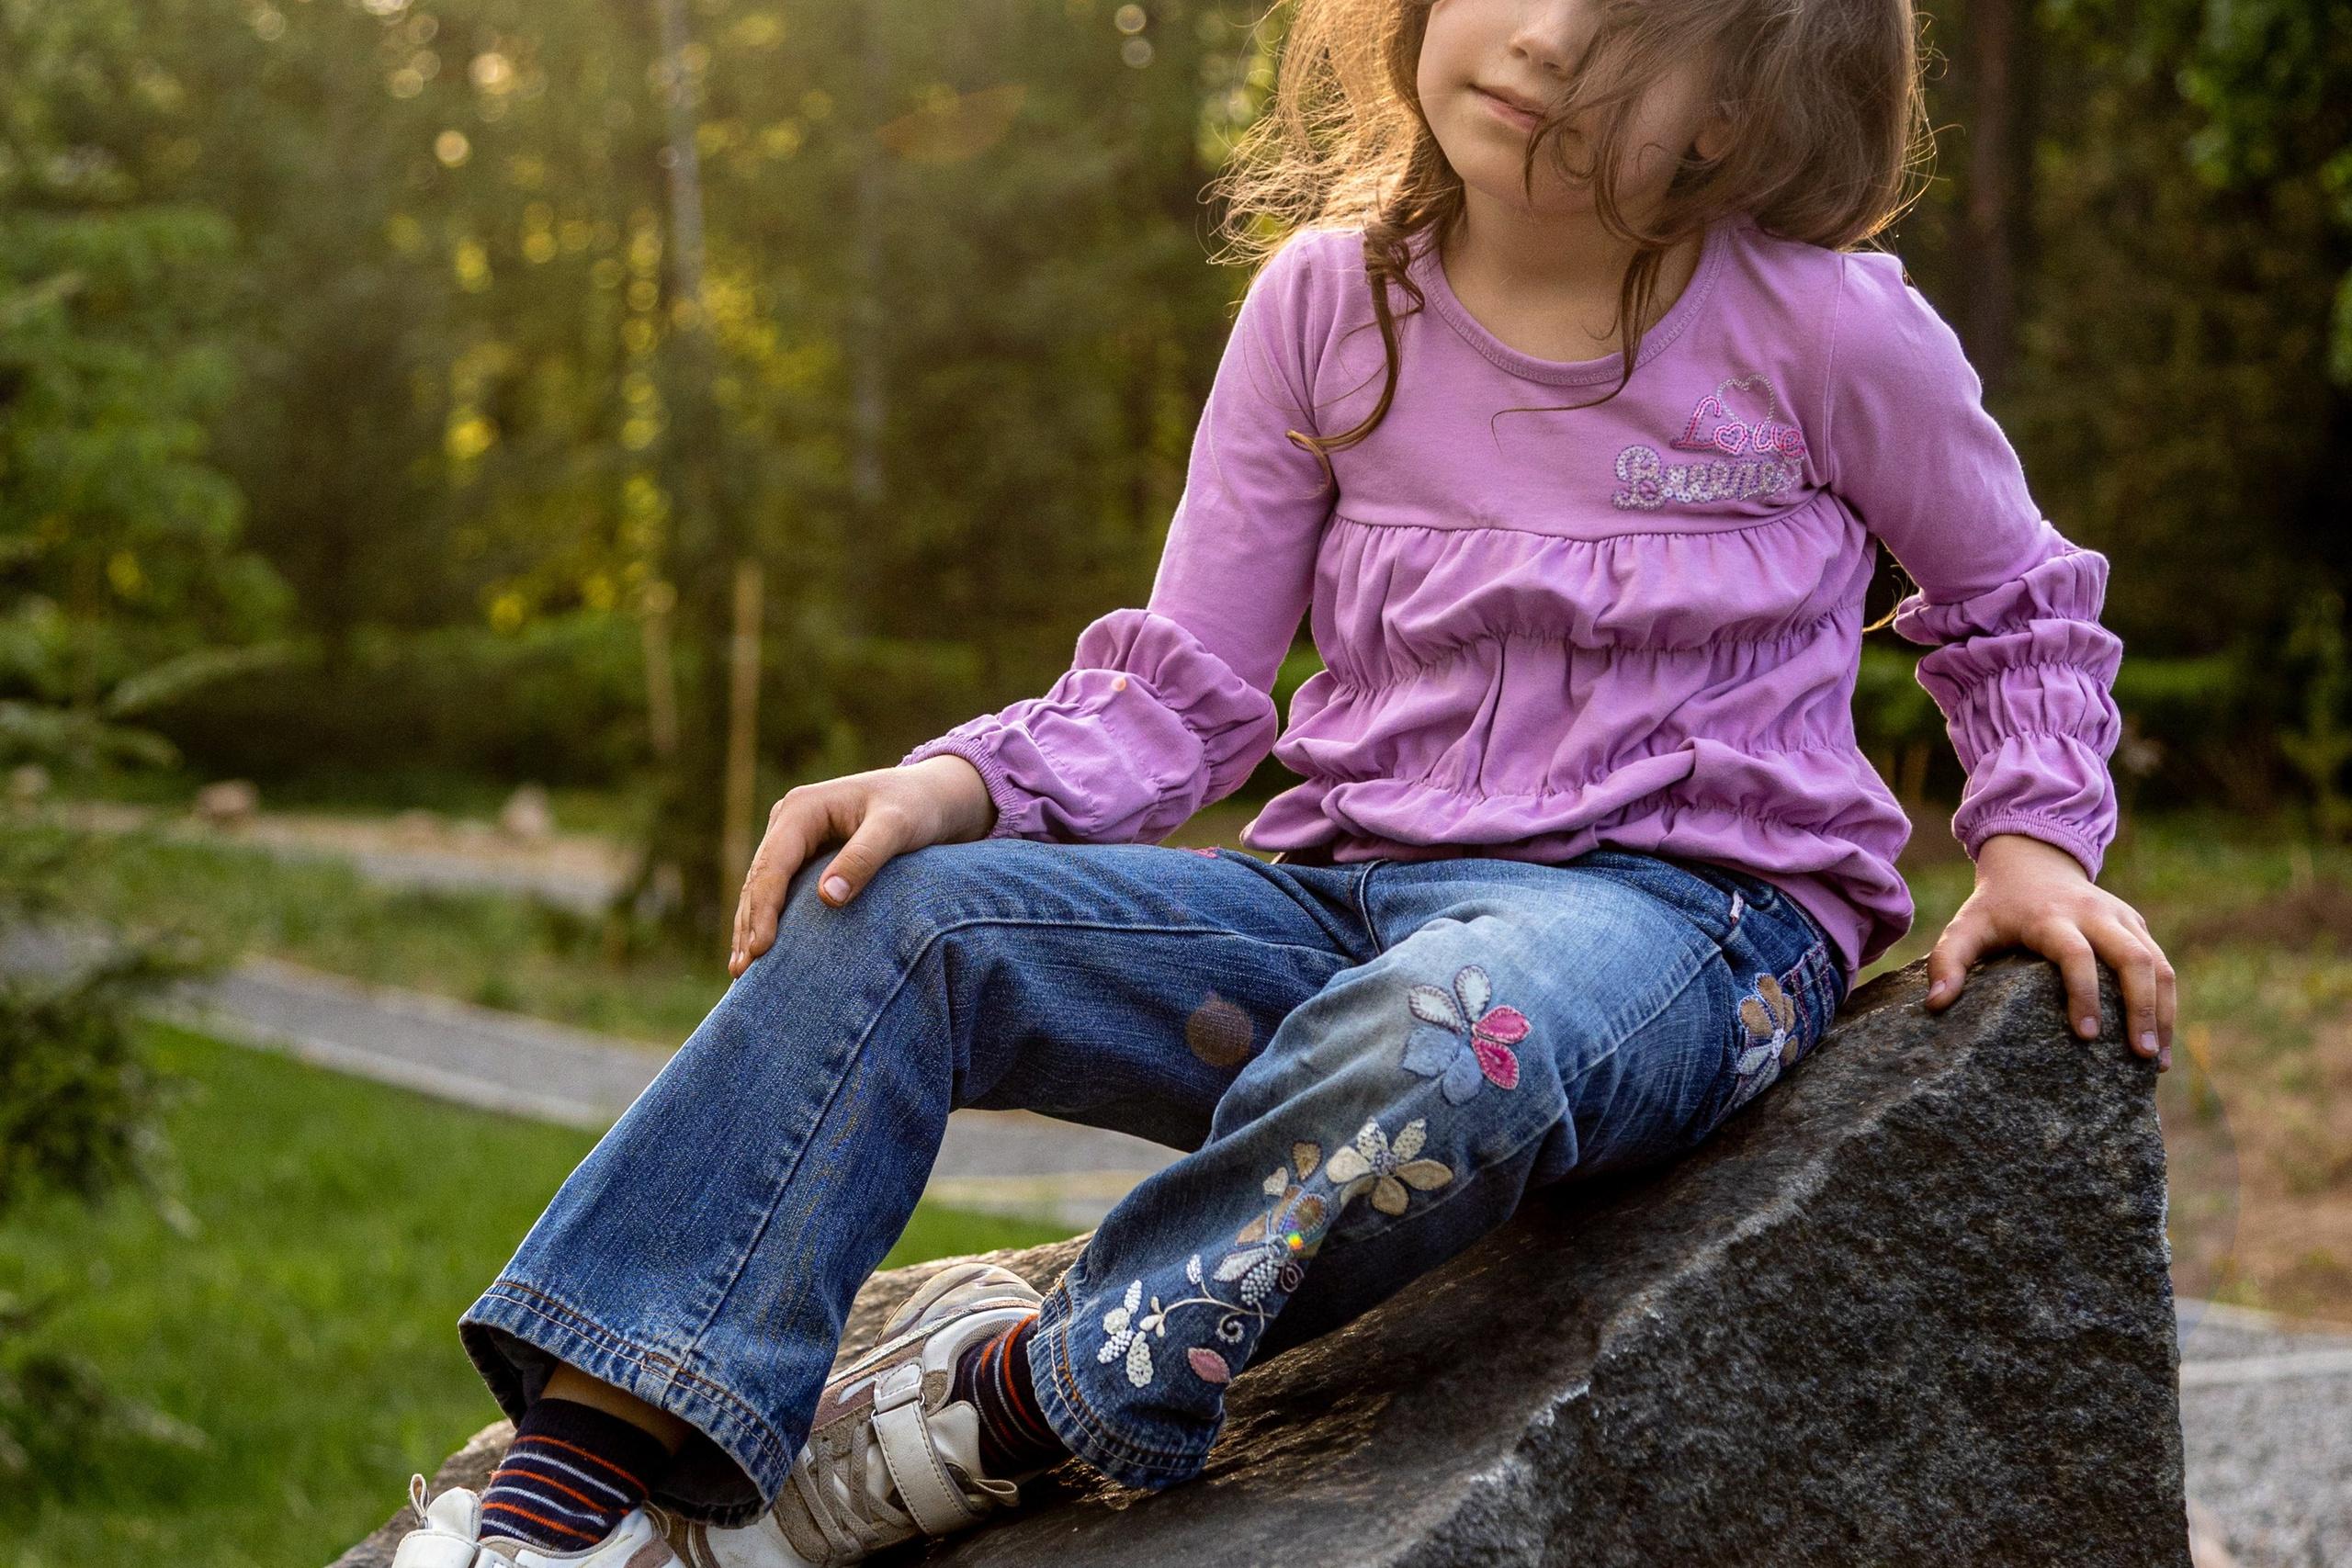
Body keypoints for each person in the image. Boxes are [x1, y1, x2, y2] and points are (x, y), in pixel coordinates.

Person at [391, 0, 2177, 1562]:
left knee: (1442, 1027)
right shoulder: (1329, 307)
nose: (1548, 34)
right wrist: (954, 783)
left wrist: (2027, 839)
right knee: (908, 912)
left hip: (1675, 930)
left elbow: (2009, 599)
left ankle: (997, 1406)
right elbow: (1179, 693)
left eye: (1632, 22)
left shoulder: (1818, 327)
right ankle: (595, 1459)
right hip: (1337, 897)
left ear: (1731, 103)